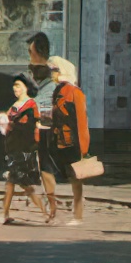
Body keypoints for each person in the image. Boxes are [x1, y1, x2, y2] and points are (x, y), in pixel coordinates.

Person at [39, 56, 89, 226]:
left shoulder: (75, 93)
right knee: (50, 173)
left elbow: (81, 121)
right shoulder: (57, 91)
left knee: (75, 179)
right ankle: (54, 212)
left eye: (54, 71)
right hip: (56, 140)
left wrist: (83, 148)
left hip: (72, 142)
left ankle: (78, 215)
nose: (52, 74)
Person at [0, 76, 51, 225]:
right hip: (13, 148)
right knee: (12, 182)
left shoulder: (31, 105)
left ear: (27, 87)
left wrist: (10, 125)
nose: (15, 89)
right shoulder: (14, 105)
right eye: (14, 86)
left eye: (18, 85)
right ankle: (5, 213)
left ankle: (46, 212)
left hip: (25, 149)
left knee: (23, 184)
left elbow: (30, 127)